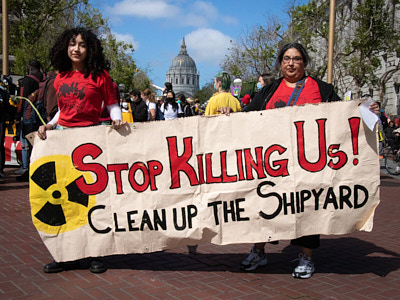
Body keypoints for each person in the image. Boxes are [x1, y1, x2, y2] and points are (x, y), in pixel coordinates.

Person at [220, 42, 380, 279]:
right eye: (286, 58)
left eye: (296, 58)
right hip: (272, 164)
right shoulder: (268, 91)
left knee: (307, 208)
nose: (291, 63)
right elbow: (250, 113)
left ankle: (306, 258)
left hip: (309, 163)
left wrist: (368, 109)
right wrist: (231, 115)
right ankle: (259, 250)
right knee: (263, 205)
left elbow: (345, 112)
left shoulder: (322, 89)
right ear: (280, 63)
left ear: (304, 62)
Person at [37, 27, 125, 274]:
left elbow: (111, 104)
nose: (76, 49)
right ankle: (65, 255)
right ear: (65, 47)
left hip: (90, 141)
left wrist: (116, 119)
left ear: (90, 50)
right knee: (63, 199)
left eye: (82, 45)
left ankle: (95, 254)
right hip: (63, 140)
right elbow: (63, 111)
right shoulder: (60, 77)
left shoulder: (101, 77)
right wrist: (51, 124)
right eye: (72, 44)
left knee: (90, 199)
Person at [14, 60, 46, 181]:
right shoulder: (45, 79)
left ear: (30, 68)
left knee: (27, 142)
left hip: (29, 115)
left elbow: (22, 100)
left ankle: (27, 168)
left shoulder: (27, 80)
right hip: (43, 115)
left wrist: (18, 115)